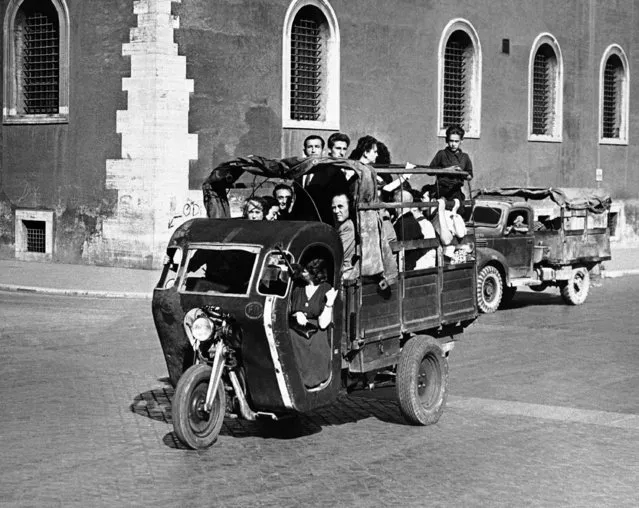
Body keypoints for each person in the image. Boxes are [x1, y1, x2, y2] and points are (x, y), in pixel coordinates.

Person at [289, 258, 338, 388]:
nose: (302, 273)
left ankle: (313, 380)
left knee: (314, 344)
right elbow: (291, 310)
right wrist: (297, 314)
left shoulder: (325, 289)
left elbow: (323, 324)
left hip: (315, 330)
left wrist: (329, 303)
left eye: (305, 271)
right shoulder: (298, 288)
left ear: (315, 274)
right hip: (297, 328)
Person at [292, 135, 347, 224]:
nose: (313, 150)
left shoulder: (333, 172)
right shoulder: (299, 172)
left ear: (323, 150)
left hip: (323, 223)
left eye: (317, 147)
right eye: (310, 147)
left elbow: (341, 200)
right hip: (300, 224)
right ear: (304, 151)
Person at [425, 124, 473, 216]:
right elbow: (429, 171)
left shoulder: (465, 157)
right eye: (451, 141)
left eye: (456, 141)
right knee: (440, 216)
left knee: (457, 217)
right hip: (441, 191)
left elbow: (470, 176)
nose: (453, 144)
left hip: (456, 192)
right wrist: (447, 170)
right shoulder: (441, 154)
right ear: (447, 140)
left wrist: (462, 173)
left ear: (461, 141)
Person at [392, 189, 425, 271]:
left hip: (402, 268)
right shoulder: (413, 221)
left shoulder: (401, 223)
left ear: (397, 204)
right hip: (409, 267)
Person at [331, 193, 359, 280]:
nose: (336, 211)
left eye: (340, 207)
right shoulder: (339, 226)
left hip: (345, 273)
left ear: (349, 207)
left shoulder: (347, 227)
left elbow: (338, 253)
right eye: (334, 208)